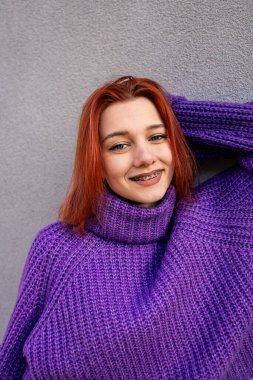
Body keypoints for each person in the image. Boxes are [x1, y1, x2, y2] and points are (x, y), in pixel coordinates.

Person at [0, 75, 252, 379]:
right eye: (120, 145)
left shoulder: (225, 219)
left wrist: (175, 117)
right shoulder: (59, 250)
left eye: (157, 138)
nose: (145, 158)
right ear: (97, 162)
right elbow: (10, 364)